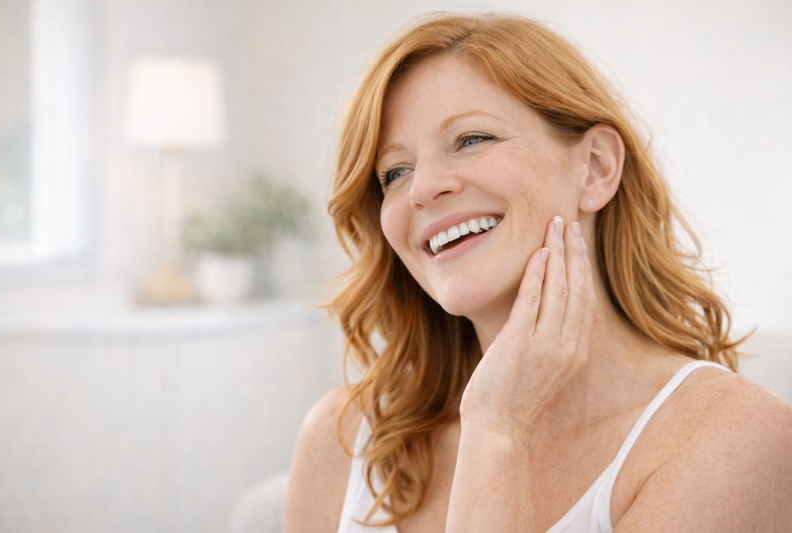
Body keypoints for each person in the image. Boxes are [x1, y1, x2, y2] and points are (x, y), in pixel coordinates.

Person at [284, 12, 792, 532]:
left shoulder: (734, 437)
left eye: (471, 139)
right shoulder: (340, 439)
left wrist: (497, 429)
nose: (422, 188)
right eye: (395, 171)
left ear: (595, 167)